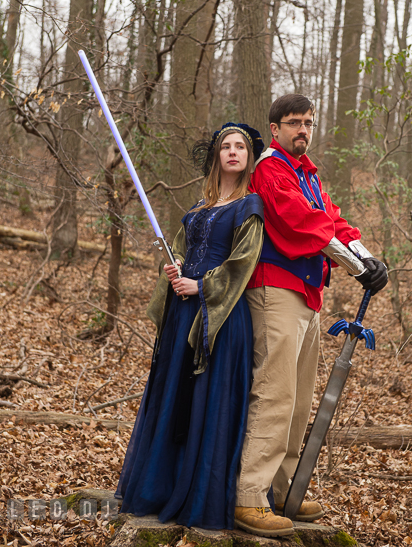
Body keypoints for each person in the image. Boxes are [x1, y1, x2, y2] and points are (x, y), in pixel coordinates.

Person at [234, 94, 388, 537]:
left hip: (307, 296)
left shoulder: (308, 174)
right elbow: (302, 223)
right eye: (294, 123)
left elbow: (333, 222)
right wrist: (357, 267)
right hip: (274, 291)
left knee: (299, 400)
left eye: (308, 122)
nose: (303, 129)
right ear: (276, 127)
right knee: (275, 394)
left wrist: (368, 257)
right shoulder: (269, 169)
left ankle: (283, 491)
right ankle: (249, 495)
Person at [116, 122, 265, 530]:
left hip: (219, 317)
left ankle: (198, 497)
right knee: (174, 397)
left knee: (205, 403)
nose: (233, 152)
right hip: (183, 312)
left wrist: (201, 285)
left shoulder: (250, 207)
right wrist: (175, 266)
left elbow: (242, 263)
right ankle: (160, 488)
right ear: (216, 156)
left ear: (249, 157)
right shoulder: (199, 208)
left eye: (240, 147)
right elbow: (180, 247)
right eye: (226, 147)